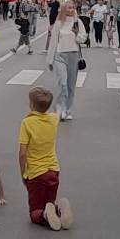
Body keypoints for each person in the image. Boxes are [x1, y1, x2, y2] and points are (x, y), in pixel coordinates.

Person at [18, 85, 71, 229]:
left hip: (37, 174)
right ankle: (59, 209)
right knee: (49, 203)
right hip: (54, 170)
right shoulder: (53, 119)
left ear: (32, 105)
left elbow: (22, 153)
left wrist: (23, 174)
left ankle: (45, 215)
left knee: (35, 212)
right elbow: (57, 113)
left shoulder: (27, 123)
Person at [48, 2, 86, 121]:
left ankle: (67, 109)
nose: (72, 9)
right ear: (64, 9)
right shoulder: (58, 23)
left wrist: (76, 34)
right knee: (62, 84)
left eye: (73, 7)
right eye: (69, 7)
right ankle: (60, 109)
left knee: (70, 85)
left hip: (73, 55)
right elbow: (53, 42)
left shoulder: (78, 23)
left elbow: (83, 39)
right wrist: (50, 60)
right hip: (60, 55)